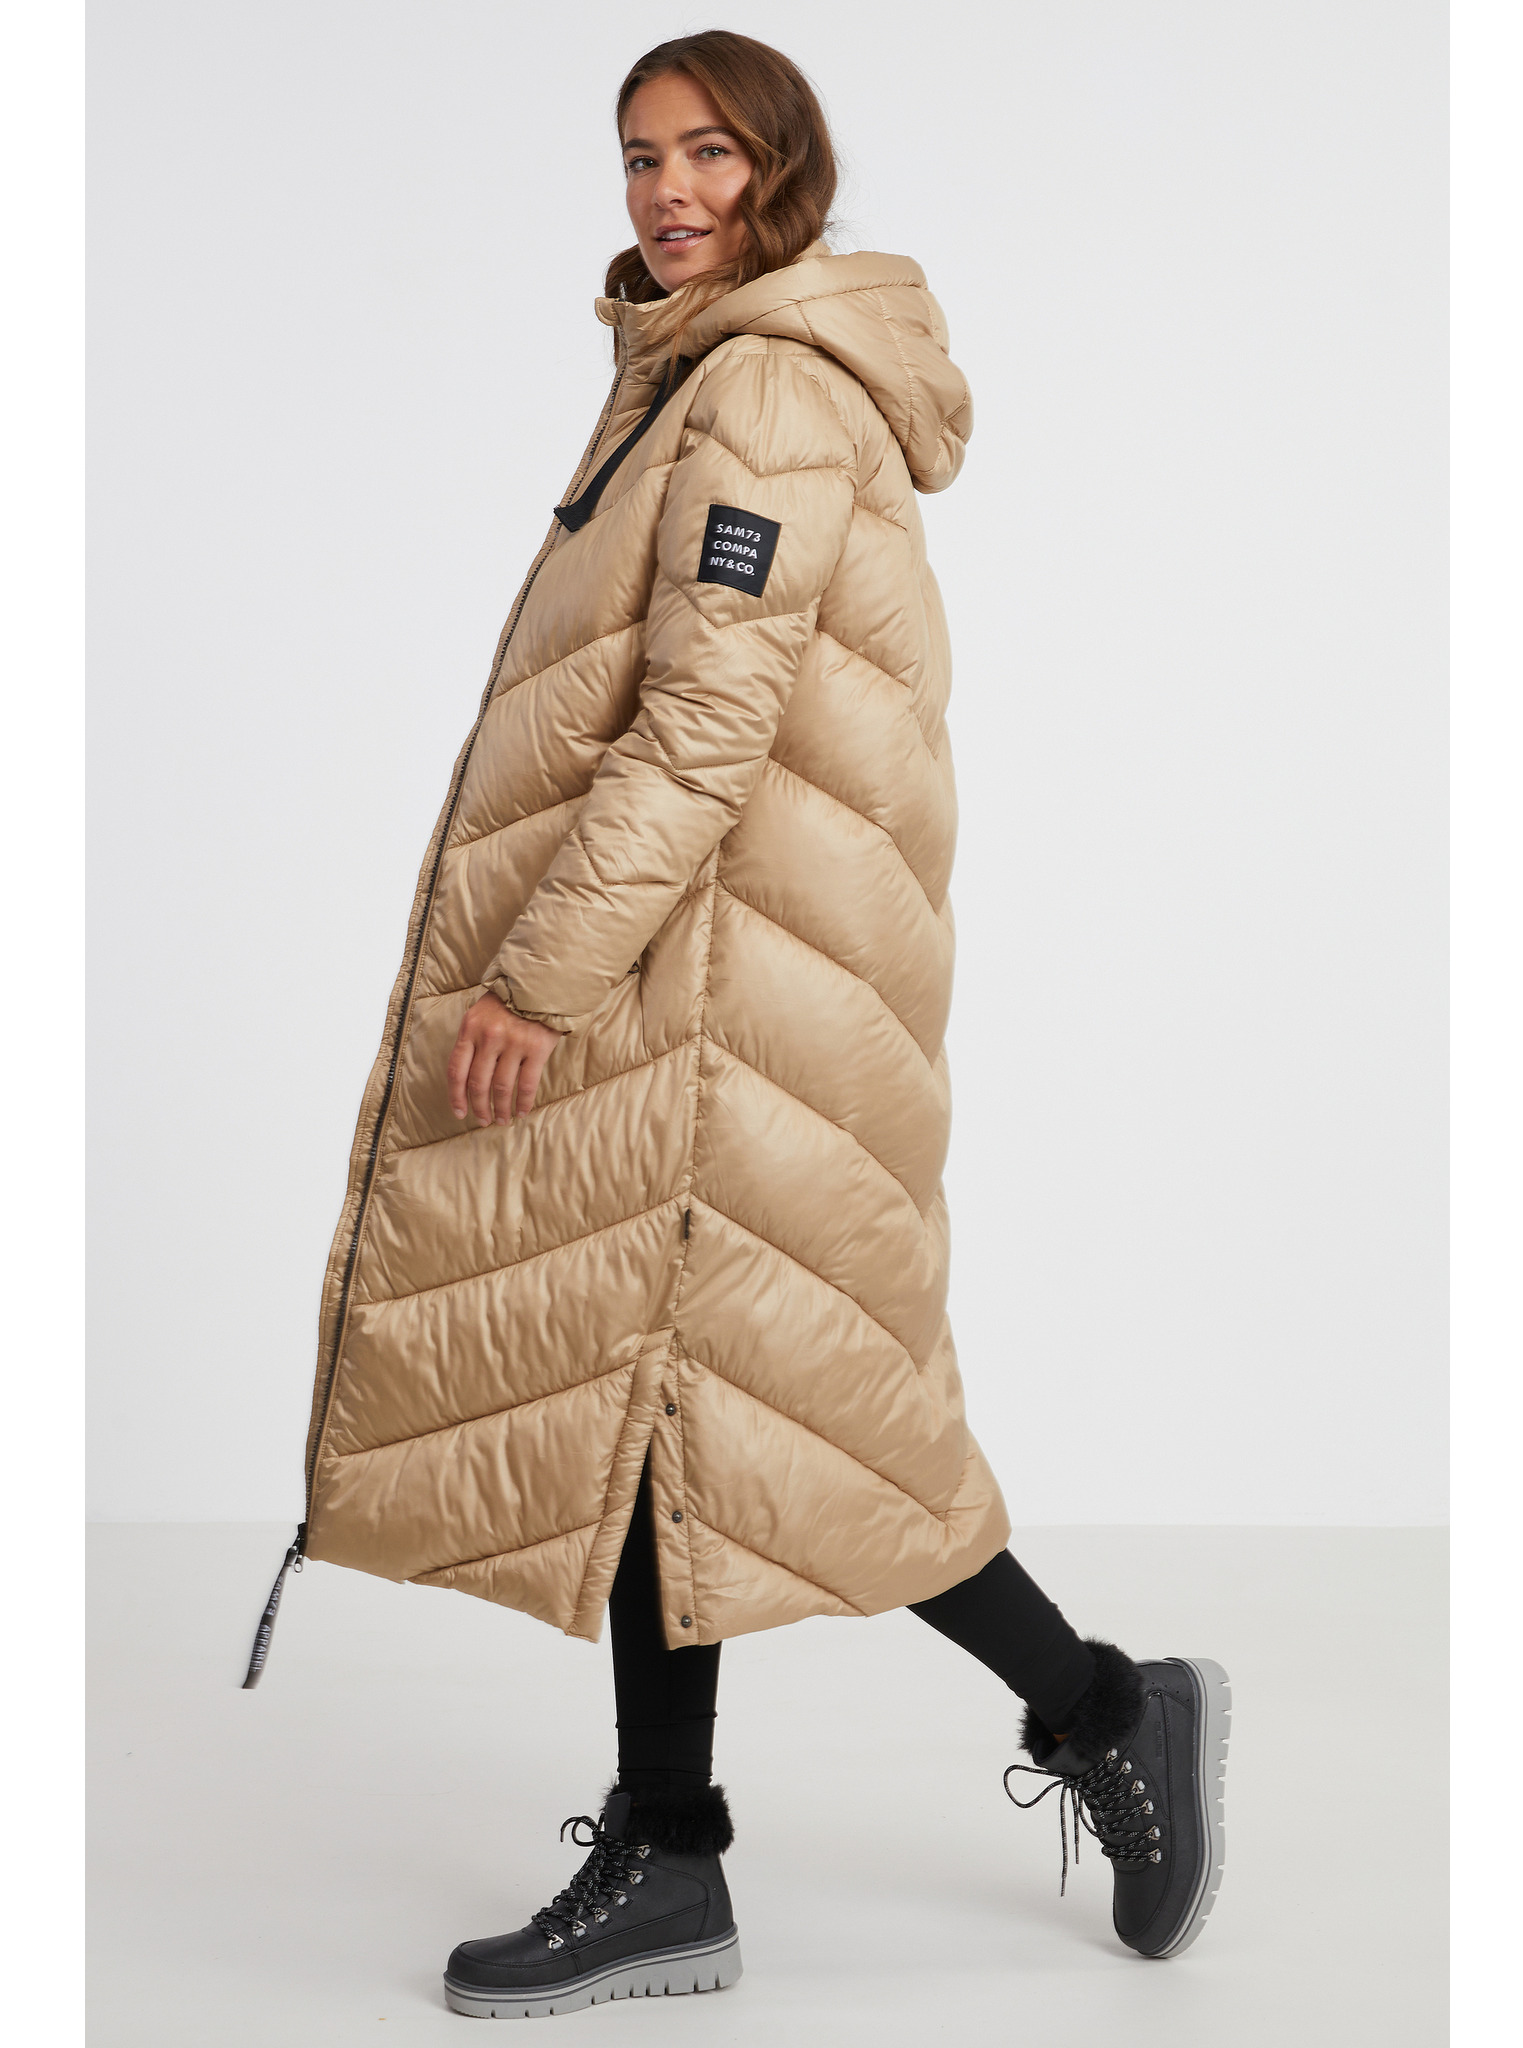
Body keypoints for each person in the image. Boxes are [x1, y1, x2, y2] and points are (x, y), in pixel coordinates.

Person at [276, 29, 1229, 2018]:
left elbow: (704, 723)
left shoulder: (770, 389)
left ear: (786, 168)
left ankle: (1100, 1709)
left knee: (806, 1421)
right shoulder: (695, 372)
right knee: (685, 1421)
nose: (667, 191)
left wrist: (542, 976)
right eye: (640, 157)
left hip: (722, 988)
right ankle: (677, 1854)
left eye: (710, 152)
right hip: (710, 973)